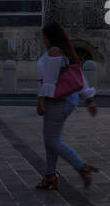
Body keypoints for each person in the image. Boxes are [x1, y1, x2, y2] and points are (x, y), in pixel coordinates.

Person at [35, 22, 98, 190]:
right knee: (51, 139)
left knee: (52, 140)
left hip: (57, 100)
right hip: (67, 100)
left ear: (49, 37)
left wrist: (40, 101)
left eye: (43, 36)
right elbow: (80, 77)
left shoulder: (55, 52)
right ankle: (50, 176)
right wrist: (89, 100)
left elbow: (49, 80)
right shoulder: (66, 52)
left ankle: (81, 167)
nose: (42, 39)